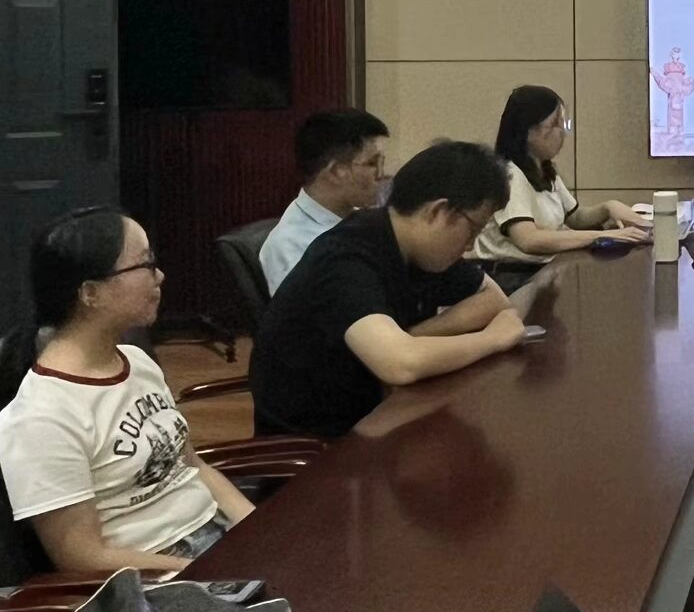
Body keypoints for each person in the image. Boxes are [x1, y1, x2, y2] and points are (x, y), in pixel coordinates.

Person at [0, 209, 253, 573]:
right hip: (158, 572)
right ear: (91, 293)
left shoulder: (136, 361)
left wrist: (259, 530)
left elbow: (193, 466)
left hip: (218, 539)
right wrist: (207, 574)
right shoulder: (41, 418)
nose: (159, 276)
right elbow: (83, 558)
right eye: (145, 265)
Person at [251, 140, 544, 440]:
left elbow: (493, 300)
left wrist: (414, 336)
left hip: (378, 416)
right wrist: (492, 339)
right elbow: (399, 364)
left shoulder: (418, 249)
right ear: (439, 211)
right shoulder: (345, 256)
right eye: (473, 229)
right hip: (318, 444)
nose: (470, 246)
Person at [474, 86, 648, 268]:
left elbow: (576, 218)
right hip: (512, 275)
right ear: (529, 131)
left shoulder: (545, 170)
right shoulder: (509, 175)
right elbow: (529, 240)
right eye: (556, 125)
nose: (563, 133)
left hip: (544, 269)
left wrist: (608, 207)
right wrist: (602, 236)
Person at [259, 107, 390, 293]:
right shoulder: (291, 245)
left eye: (382, 163)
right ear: (336, 171)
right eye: (372, 163)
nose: (381, 174)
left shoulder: (360, 221)